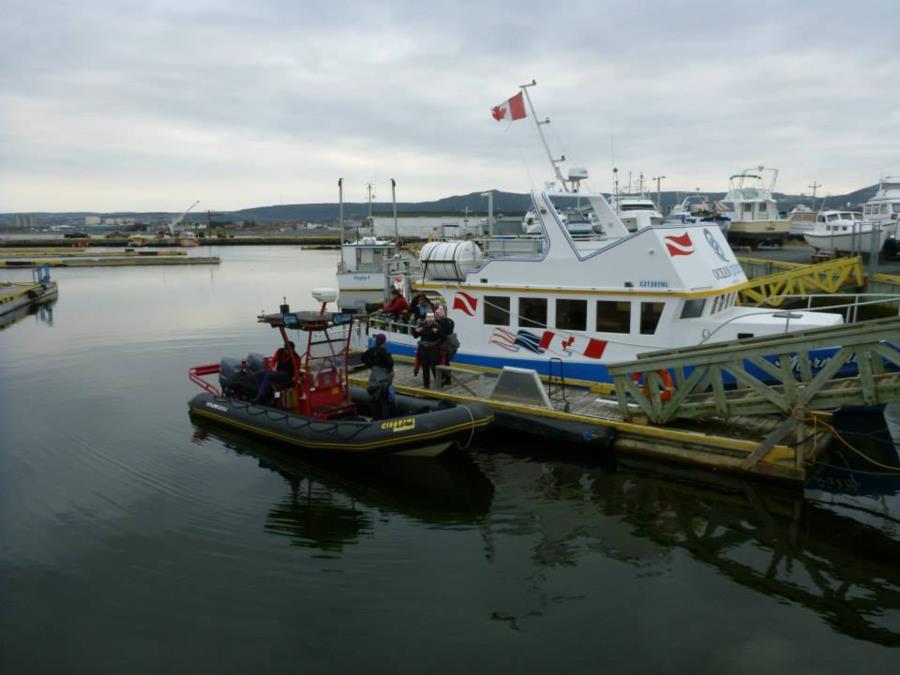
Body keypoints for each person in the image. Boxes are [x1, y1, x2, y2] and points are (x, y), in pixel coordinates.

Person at [361, 333, 394, 418]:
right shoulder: (385, 352)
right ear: (384, 342)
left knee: (374, 398)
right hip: (383, 379)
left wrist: (371, 365)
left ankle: (374, 417)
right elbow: (390, 364)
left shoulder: (372, 350)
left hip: (374, 377)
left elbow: (363, 358)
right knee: (384, 400)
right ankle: (384, 418)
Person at [413, 313, 442, 389]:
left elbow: (442, 337)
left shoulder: (437, 326)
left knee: (434, 367)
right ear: (426, 318)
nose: (429, 320)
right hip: (423, 349)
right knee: (425, 367)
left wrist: (437, 332)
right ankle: (426, 385)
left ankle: (438, 384)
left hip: (433, 349)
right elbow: (415, 336)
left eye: (431, 318)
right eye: (428, 318)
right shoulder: (422, 326)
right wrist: (416, 331)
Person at [434, 305, 457, 385]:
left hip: (443, 346)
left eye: (436, 314)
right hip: (450, 345)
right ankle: (447, 379)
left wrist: (436, 331)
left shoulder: (441, 323)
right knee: (446, 362)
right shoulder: (451, 321)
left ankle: (444, 379)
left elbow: (442, 335)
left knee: (442, 362)